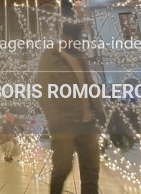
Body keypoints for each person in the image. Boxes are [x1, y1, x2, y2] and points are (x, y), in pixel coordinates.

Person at [36, 22, 105, 194]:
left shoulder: (81, 59)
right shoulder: (50, 56)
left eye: (78, 39)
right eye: (73, 38)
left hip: (88, 123)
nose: (76, 42)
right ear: (64, 37)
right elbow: (42, 88)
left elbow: (90, 85)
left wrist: (100, 109)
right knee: (62, 168)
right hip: (65, 123)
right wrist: (54, 119)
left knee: (91, 172)